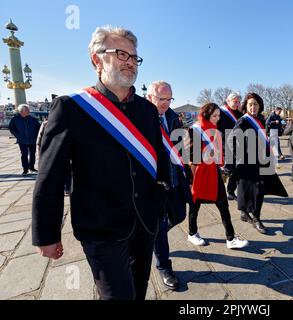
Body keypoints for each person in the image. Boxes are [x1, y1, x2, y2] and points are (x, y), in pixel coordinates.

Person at [32, 26, 169, 300]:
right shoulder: (71, 108)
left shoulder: (147, 110)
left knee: (138, 291)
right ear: (96, 60)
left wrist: (163, 204)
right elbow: (51, 175)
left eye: (134, 56)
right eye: (121, 53)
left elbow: (160, 161)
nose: (130, 61)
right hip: (101, 228)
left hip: (145, 222)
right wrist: (46, 233)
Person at [148, 80, 192, 291]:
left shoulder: (174, 117)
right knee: (160, 225)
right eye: (161, 99)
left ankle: (154, 237)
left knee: (180, 216)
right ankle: (164, 266)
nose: (166, 103)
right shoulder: (142, 116)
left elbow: (179, 148)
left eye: (169, 99)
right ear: (150, 97)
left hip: (175, 178)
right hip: (154, 182)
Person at [187, 103, 249, 249]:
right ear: (206, 115)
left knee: (223, 204)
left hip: (213, 171)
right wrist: (191, 180)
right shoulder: (195, 129)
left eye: (219, 115)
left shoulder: (215, 129)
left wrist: (221, 164)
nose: (217, 118)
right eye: (214, 115)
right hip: (200, 173)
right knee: (195, 205)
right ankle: (192, 233)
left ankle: (231, 238)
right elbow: (191, 157)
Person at [228, 93, 288, 234]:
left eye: (255, 104)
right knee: (255, 190)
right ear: (246, 106)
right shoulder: (243, 121)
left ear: (259, 105)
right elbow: (231, 141)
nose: (253, 107)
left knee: (257, 190)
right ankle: (256, 218)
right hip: (249, 164)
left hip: (261, 162)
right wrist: (242, 157)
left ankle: (246, 213)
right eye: (250, 104)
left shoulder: (259, 119)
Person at [217, 92, 243, 201]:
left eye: (238, 102)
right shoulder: (221, 112)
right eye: (234, 101)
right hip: (225, 144)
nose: (237, 104)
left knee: (237, 169)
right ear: (228, 101)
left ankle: (230, 191)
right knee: (230, 168)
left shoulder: (240, 114)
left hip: (238, 144)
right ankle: (219, 186)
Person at [8, 104, 40, 175]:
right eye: (27, 110)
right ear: (21, 111)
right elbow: (11, 128)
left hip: (33, 140)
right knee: (24, 154)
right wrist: (17, 135)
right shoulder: (15, 119)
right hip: (22, 140)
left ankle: (31, 167)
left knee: (32, 154)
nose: (29, 111)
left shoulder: (33, 119)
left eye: (28, 110)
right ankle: (25, 169)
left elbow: (39, 128)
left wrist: (37, 136)